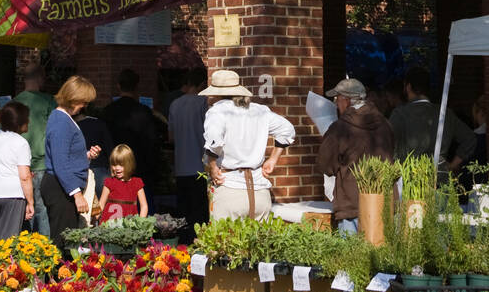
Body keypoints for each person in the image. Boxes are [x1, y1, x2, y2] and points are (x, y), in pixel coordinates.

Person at [202, 69, 295, 220]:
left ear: (215, 93)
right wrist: (273, 159)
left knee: (224, 242)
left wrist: (212, 167)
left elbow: (214, 141)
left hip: (229, 189)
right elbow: (287, 130)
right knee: (260, 242)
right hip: (260, 192)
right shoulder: (260, 110)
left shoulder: (217, 111)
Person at [318, 77, 395, 234]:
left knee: (351, 256)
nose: (336, 105)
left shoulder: (340, 128)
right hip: (384, 202)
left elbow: (324, 165)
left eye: (336, 99)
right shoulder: (386, 124)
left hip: (352, 204)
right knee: (382, 254)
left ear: (346, 101)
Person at [41, 75, 101, 248]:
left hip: (62, 185)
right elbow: (60, 163)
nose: (85, 106)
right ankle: (57, 275)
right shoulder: (61, 121)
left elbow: (65, 156)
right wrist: (77, 194)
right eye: (83, 102)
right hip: (61, 188)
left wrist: (87, 156)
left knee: (68, 239)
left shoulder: (63, 119)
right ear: (73, 98)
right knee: (63, 241)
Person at [390, 64, 477, 175]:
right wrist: (452, 165)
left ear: (408, 87)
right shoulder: (445, 114)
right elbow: (470, 139)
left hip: (409, 179)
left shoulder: (399, 114)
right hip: (439, 177)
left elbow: (388, 144)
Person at [102, 69, 160, 211]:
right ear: (136, 87)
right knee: (143, 207)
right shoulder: (144, 112)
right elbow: (152, 142)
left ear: (118, 86)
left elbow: (104, 141)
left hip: (115, 168)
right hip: (141, 168)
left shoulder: (108, 111)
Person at [0, 101, 35, 244]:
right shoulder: (21, 143)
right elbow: (24, 177)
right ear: (20, 122)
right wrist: (30, 202)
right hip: (12, 195)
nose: (28, 121)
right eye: (26, 118)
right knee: (7, 243)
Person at [14, 65, 58, 239]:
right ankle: (44, 249)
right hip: (40, 164)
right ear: (41, 78)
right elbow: (55, 132)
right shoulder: (48, 102)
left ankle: (24, 248)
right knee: (41, 210)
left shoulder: (13, 103)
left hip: (17, 167)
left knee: (20, 210)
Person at [167, 71, 209, 240]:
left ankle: (183, 245)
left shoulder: (175, 104)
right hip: (200, 167)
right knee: (200, 215)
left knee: (184, 214)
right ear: (202, 85)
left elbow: (171, 137)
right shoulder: (203, 103)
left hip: (181, 166)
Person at [96, 144, 148, 221]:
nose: (117, 168)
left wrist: (141, 223)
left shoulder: (137, 183)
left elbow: (144, 206)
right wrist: (94, 219)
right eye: (114, 164)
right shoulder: (109, 182)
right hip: (109, 225)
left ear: (129, 164)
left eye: (121, 165)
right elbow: (101, 204)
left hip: (129, 224)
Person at [77, 109, 114, 196]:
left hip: (80, 171)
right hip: (100, 169)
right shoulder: (98, 123)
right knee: (103, 205)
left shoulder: (70, 126)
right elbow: (109, 147)